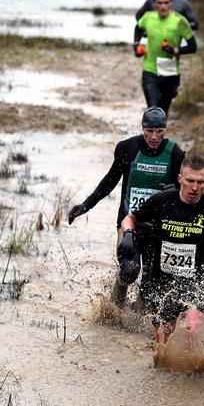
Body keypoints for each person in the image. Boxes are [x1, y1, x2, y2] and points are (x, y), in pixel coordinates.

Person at [119, 153, 204, 342]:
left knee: (191, 331)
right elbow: (130, 218)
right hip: (162, 283)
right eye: (190, 181)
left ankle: (192, 370)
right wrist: (128, 233)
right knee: (163, 342)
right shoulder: (162, 201)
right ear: (180, 179)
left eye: (200, 182)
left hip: (195, 284)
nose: (194, 187)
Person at [67, 106, 185, 305]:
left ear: (165, 130)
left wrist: (173, 190)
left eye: (159, 131)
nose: (154, 137)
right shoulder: (127, 148)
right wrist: (86, 205)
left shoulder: (175, 153)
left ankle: (139, 322)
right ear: (142, 128)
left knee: (150, 283)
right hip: (129, 224)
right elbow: (110, 181)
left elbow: (184, 191)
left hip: (159, 228)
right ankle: (114, 310)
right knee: (129, 271)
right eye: (149, 131)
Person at [134, 0, 197, 115]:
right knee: (153, 109)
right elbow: (138, 28)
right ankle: (151, 132)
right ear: (154, 3)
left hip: (170, 72)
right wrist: (136, 45)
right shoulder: (148, 17)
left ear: (171, 3)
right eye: (160, 3)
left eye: (166, 3)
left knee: (163, 112)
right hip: (150, 69)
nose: (163, 6)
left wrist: (174, 50)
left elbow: (193, 47)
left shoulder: (180, 21)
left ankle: (159, 133)